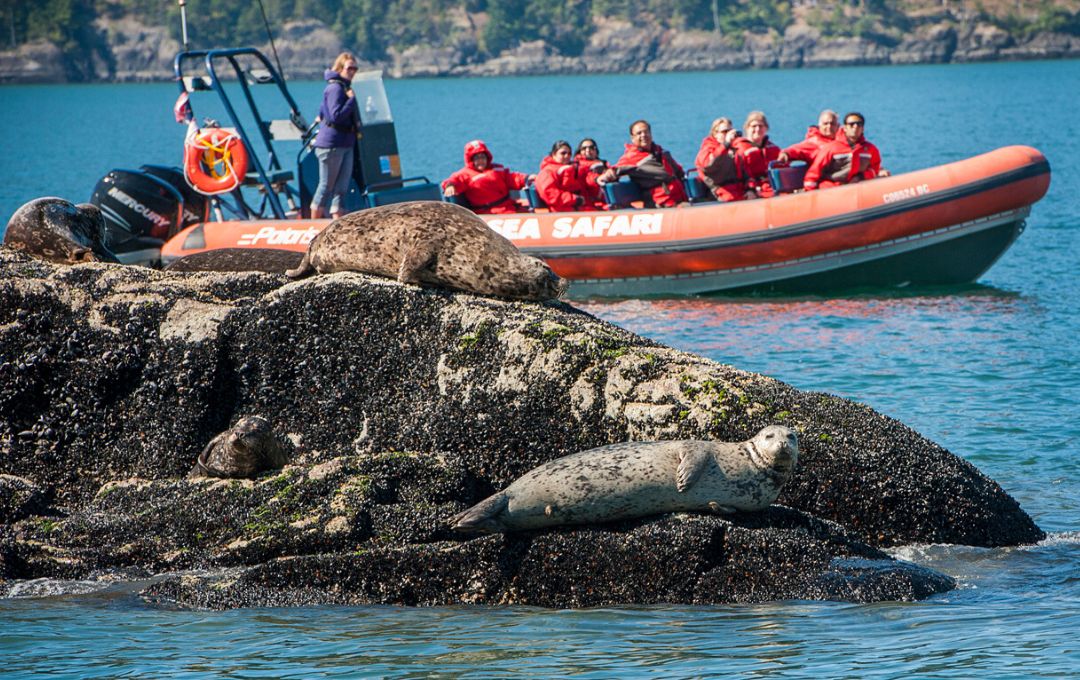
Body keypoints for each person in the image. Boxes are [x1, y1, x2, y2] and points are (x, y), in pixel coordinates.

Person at [310, 52, 361, 219]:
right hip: (331, 145)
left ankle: (337, 221)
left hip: (346, 142)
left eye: (355, 68)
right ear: (340, 69)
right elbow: (335, 116)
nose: (352, 71)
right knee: (326, 186)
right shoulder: (335, 89)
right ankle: (313, 224)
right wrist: (351, 100)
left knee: (342, 187)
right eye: (349, 68)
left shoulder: (344, 88)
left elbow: (321, 113)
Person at [597, 120, 687, 207]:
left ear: (651, 134)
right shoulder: (632, 157)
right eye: (639, 133)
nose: (643, 135)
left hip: (679, 198)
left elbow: (678, 171)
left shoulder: (661, 152)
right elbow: (615, 169)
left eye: (646, 132)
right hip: (661, 203)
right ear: (632, 138)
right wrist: (604, 176)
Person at [803, 111, 890, 191]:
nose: (855, 127)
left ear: (863, 128)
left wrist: (861, 177)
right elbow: (814, 172)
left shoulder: (870, 149)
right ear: (844, 128)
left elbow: (875, 168)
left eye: (859, 124)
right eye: (851, 124)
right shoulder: (831, 148)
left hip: (858, 189)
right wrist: (810, 192)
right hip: (832, 190)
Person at [442, 139, 534, 214]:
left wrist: (527, 178)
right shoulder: (464, 175)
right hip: (486, 213)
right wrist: (450, 185)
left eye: (482, 157)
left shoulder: (498, 169)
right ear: (471, 160)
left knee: (528, 213)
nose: (480, 161)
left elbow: (513, 178)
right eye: (477, 158)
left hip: (507, 207)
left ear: (487, 157)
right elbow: (454, 180)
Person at [536, 140, 603, 212]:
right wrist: (574, 199)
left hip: (582, 207)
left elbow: (587, 177)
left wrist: (598, 179)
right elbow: (550, 194)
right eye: (563, 153)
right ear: (554, 154)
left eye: (569, 153)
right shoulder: (547, 172)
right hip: (562, 210)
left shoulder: (575, 168)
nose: (567, 156)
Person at [732, 111, 785, 199]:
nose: (757, 129)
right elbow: (737, 175)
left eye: (761, 126)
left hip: (772, 189)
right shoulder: (740, 149)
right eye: (753, 126)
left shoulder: (773, 149)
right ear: (747, 128)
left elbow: (783, 168)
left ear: (766, 128)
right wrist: (750, 189)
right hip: (752, 191)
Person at [694, 117, 747, 202]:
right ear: (715, 134)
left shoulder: (734, 150)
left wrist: (750, 190)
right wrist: (725, 144)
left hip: (740, 193)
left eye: (730, 131)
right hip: (721, 196)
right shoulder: (707, 150)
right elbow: (709, 164)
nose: (728, 134)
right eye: (724, 132)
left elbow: (745, 173)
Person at [574, 138, 608, 206]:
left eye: (591, 147)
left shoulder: (604, 164)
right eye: (584, 148)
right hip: (587, 203)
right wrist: (598, 178)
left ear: (596, 151)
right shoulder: (576, 166)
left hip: (605, 201)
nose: (588, 150)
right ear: (579, 151)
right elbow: (589, 181)